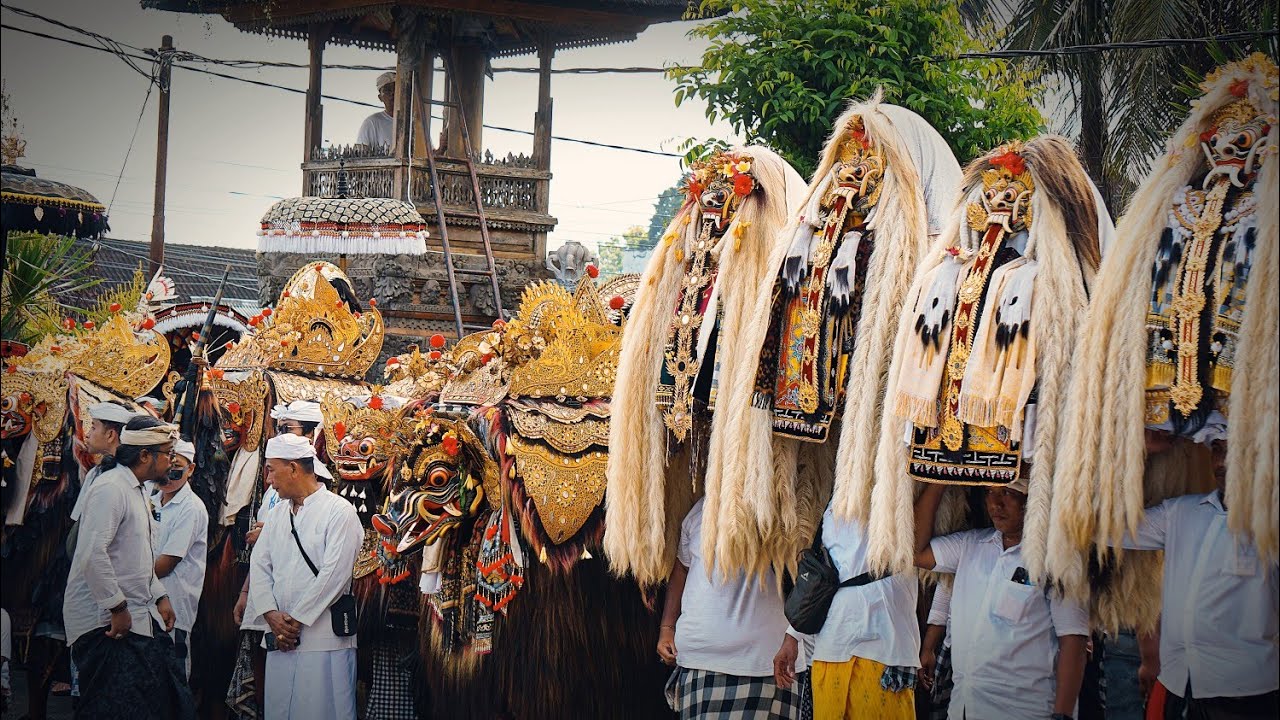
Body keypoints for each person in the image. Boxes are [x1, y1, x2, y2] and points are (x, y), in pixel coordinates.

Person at [1115, 439, 1278, 720]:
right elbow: (1101, 528)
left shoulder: (1272, 523)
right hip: (1178, 683)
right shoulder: (1181, 512)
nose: (1221, 462)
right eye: (1217, 449)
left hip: (1247, 693)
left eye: (1234, 449)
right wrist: (1137, 449)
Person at [914, 480, 1089, 720]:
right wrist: (939, 483)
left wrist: (1063, 715)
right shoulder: (970, 545)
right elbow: (915, 551)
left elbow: (1073, 641)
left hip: (1025, 711)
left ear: (1032, 499)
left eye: (1007, 492)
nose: (995, 503)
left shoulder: (1057, 558)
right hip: (964, 708)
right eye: (989, 493)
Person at [62, 415, 193, 719]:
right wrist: (116, 608)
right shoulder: (111, 488)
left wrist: (159, 596)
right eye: (167, 454)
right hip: (106, 625)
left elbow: (136, 559)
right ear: (145, 456)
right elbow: (93, 554)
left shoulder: (135, 489)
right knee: (109, 709)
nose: (171, 463)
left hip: (133, 617)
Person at [657, 497, 809, 719]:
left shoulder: (780, 502)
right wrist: (667, 627)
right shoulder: (699, 511)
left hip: (766, 666)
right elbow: (681, 568)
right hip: (698, 665)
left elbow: (807, 573)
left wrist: (794, 636)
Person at [245, 434, 362, 719]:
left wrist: (294, 621)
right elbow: (259, 566)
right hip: (281, 639)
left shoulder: (339, 512)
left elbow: (334, 576)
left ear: (294, 468)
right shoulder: (275, 516)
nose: (268, 479)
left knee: (322, 709)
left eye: (272, 469)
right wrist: (271, 615)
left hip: (323, 640)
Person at [798, 505, 919, 720]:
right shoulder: (830, 501)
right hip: (832, 647)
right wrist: (793, 633)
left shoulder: (900, 488)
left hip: (884, 647)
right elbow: (824, 576)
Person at [150, 439, 209, 679]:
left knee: (171, 680)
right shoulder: (152, 501)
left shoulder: (191, 508)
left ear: (191, 469)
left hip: (174, 607)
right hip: (147, 604)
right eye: (166, 468)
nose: (168, 477)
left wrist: (127, 575)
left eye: (177, 470)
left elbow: (165, 564)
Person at [355, 71, 395, 151]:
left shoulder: (413, 122)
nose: (393, 93)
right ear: (380, 98)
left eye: (396, 89)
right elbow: (361, 154)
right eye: (387, 90)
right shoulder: (372, 122)